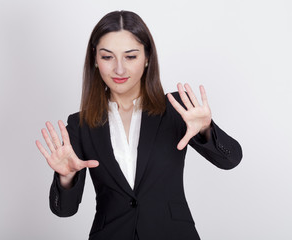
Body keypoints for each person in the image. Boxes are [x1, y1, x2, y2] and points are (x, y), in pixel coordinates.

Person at [36, 10, 242, 240]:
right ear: (95, 59)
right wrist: (66, 178)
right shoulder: (79, 125)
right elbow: (64, 210)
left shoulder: (177, 109)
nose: (119, 69)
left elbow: (231, 160)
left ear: (147, 58)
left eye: (130, 56)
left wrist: (205, 130)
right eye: (107, 57)